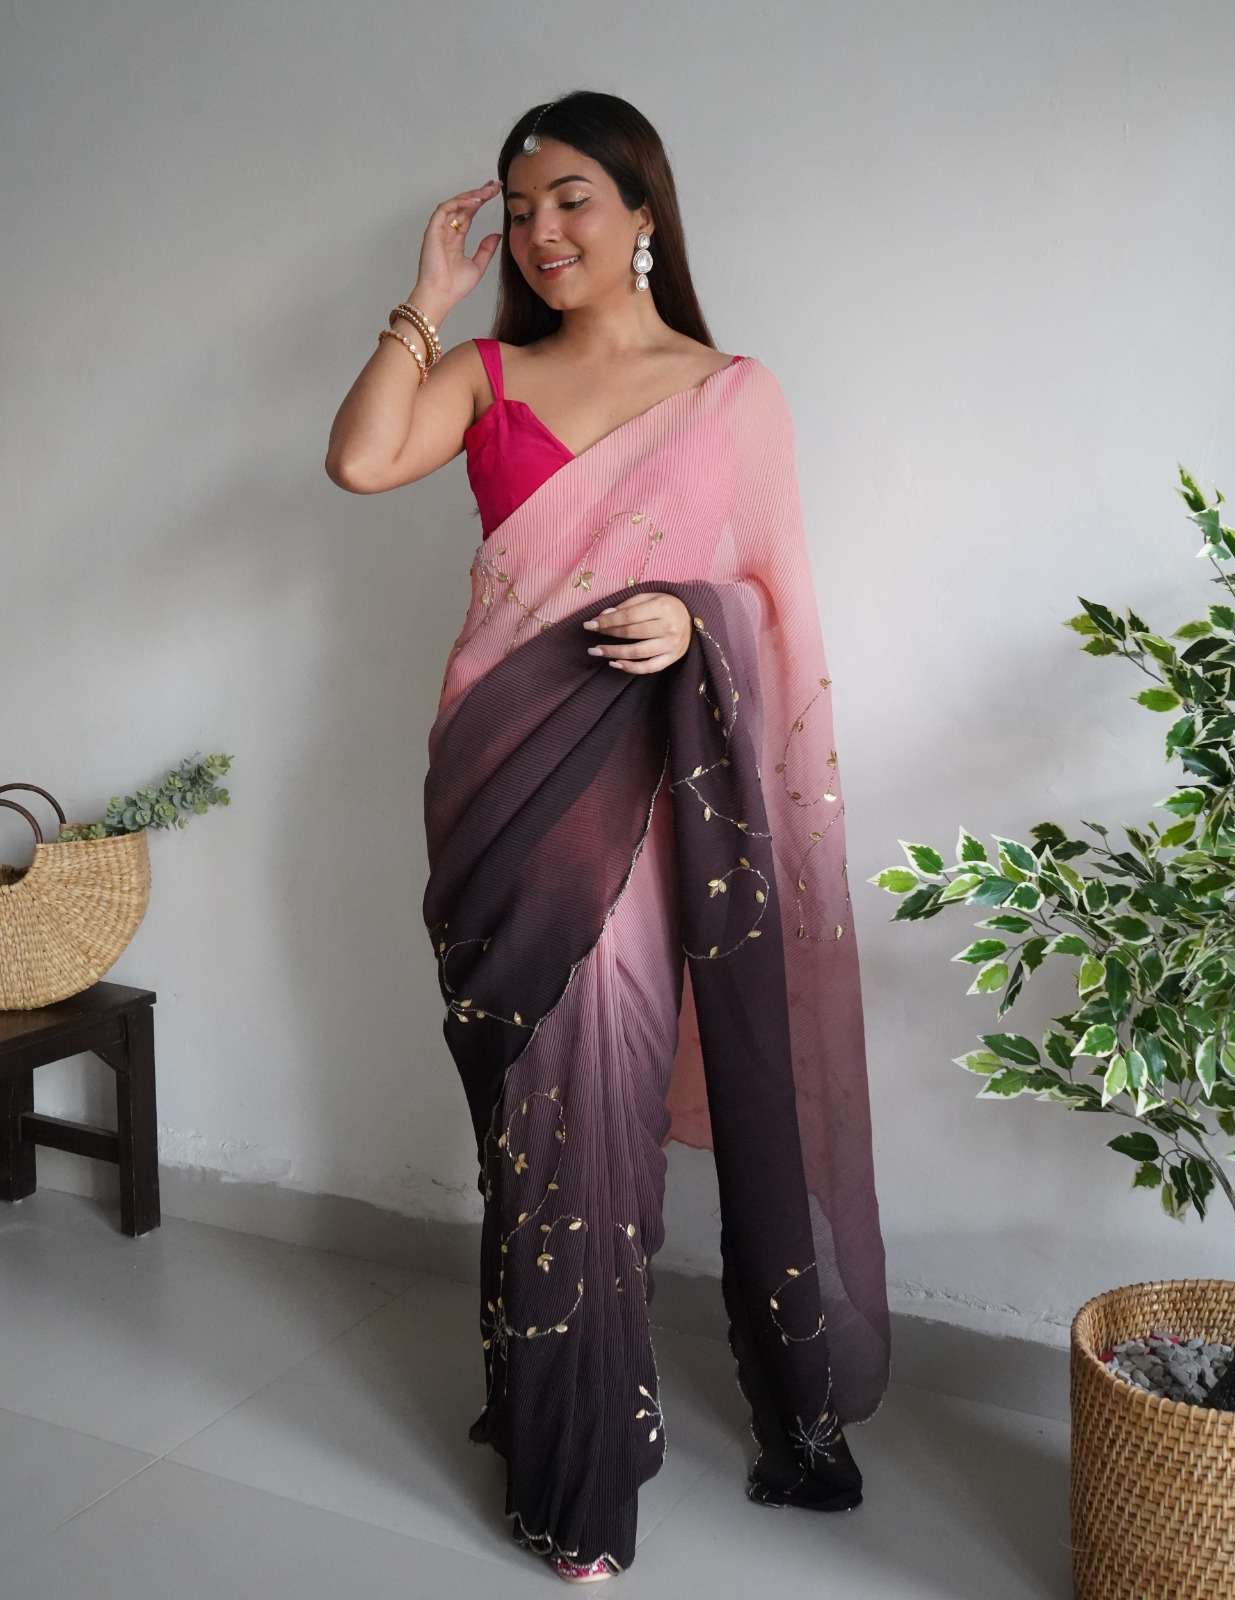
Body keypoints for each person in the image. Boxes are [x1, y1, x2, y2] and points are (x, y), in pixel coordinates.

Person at [325, 89, 891, 1586]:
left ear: (645, 211)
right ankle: (553, 1410)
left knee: (596, 1098)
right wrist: (426, 298)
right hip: (496, 789)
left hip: (638, 799)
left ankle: (578, 1475)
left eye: (572, 198)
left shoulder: (732, 395)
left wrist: (698, 623)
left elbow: (774, 605)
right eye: (521, 210)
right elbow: (360, 462)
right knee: (534, 1113)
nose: (542, 232)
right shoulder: (487, 373)